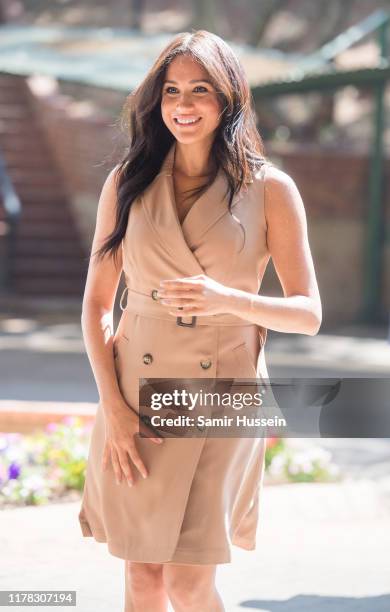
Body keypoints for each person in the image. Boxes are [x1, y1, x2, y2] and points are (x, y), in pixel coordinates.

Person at [78, 29, 322, 612]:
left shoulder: (271, 189)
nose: (183, 106)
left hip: (224, 394)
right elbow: (94, 304)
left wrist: (228, 300)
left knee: (187, 583)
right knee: (142, 577)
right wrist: (113, 409)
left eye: (200, 91)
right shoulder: (127, 183)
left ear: (228, 98)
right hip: (136, 394)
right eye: (171, 91)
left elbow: (308, 313)